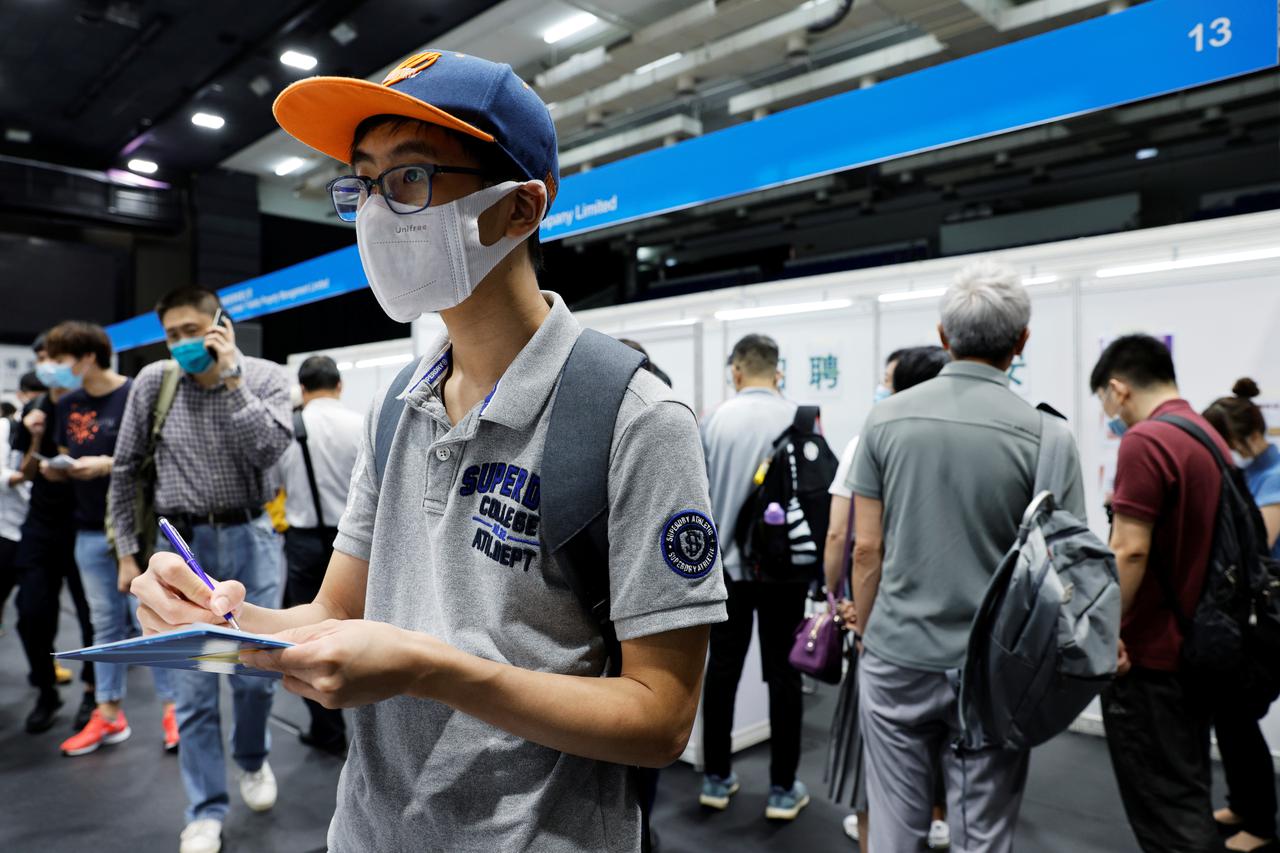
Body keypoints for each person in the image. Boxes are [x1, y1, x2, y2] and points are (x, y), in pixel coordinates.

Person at [130, 49, 727, 853]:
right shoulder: (401, 404)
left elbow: (661, 716)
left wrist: (429, 668)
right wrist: (221, 618)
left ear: (519, 209)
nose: (376, 212)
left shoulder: (634, 417)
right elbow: (334, 614)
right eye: (363, 182)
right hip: (368, 831)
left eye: (409, 179)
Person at [850, 260, 1085, 853]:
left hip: (896, 652)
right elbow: (1066, 563)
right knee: (983, 831)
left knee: (895, 826)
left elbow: (866, 547)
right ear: (1022, 341)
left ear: (943, 336)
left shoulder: (884, 420)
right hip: (995, 667)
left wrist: (871, 631)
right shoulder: (1047, 434)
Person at [109, 288, 291, 853]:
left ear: (220, 324)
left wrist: (233, 377)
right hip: (183, 545)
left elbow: (269, 453)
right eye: (173, 334)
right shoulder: (153, 382)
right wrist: (124, 552)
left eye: (193, 329)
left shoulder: (264, 377)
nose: (184, 343)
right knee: (194, 684)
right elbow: (123, 469)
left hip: (251, 538)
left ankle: (253, 758)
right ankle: (205, 808)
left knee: (259, 668)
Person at [1090, 334, 1230, 853]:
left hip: (1150, 656)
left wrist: (1107, 632)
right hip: (1197, 646)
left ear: (1118, 389)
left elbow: (1129, 550)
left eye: (1104, 400)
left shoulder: (1147, 441)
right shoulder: (1203, 433)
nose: (1109, 413)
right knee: (1187, 793)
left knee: (1167, 816)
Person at [825, 344, 952, 850]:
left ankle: (875, 831)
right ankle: (938, 817)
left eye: (886, 378)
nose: (881, 386)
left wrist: (845, 602)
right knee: (948, 734)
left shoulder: (871, 438)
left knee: (872, 742)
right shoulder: (962, 438)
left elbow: (849, 538)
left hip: (884, 618)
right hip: (954, 621)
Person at [38, 322, 181, 756]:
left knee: (157, 620)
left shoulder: (137, 392)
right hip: (87, 526)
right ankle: (108, 713)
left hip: (140, 529)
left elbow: (158, 455)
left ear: (86, 357)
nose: (52, 369)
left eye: (59, 359)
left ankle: (174, 709)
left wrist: (107, 465)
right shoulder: (69, 403)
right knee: (103, 624)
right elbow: (65, 451)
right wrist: (56, 468)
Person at [698, 333, 811, 820]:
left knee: (721, 673)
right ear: (777, 369)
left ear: (737, 370)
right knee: (784, 677)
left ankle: (716, 780)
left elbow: (696, 495)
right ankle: (783, 789)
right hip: (786, 574)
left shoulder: (715, 421)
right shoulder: (800, 420)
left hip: (727, 572)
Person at [1202, 378, 1280, 853]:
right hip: (1246, 612)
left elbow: (1257, 548)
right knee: (1228, 714)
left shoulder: (1274, 476)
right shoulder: (1245, 473)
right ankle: (1242, 804)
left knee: (1239, 716)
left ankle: (1262, 825)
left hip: (1270, 615)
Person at [277, 355, 362, 756]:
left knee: (307, 635)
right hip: (354, 543)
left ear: (303, 388)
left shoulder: (289, 430)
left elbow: (271, 487)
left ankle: (327, 730)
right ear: (339, 385)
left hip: (303, 541)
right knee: (361, 625)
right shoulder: (361, 424)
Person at [13, 334, 98, 733]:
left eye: (54, 358)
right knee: (32, 614)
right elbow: (23, 474)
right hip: (41, 527)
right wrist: (33, 436)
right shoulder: (34, 408)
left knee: (93, 618)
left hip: (86, 524)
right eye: (44, 358)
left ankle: (92, 694)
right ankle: (46, 690)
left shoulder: (89, 405)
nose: (48, 365)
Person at [0, 374, 44, 635]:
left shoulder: (50, 428)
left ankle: (45, 664)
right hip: (6, 527)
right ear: (21, 396)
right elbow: (10, 476)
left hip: (36, 530)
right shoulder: (6, 429)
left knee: (34, 605)